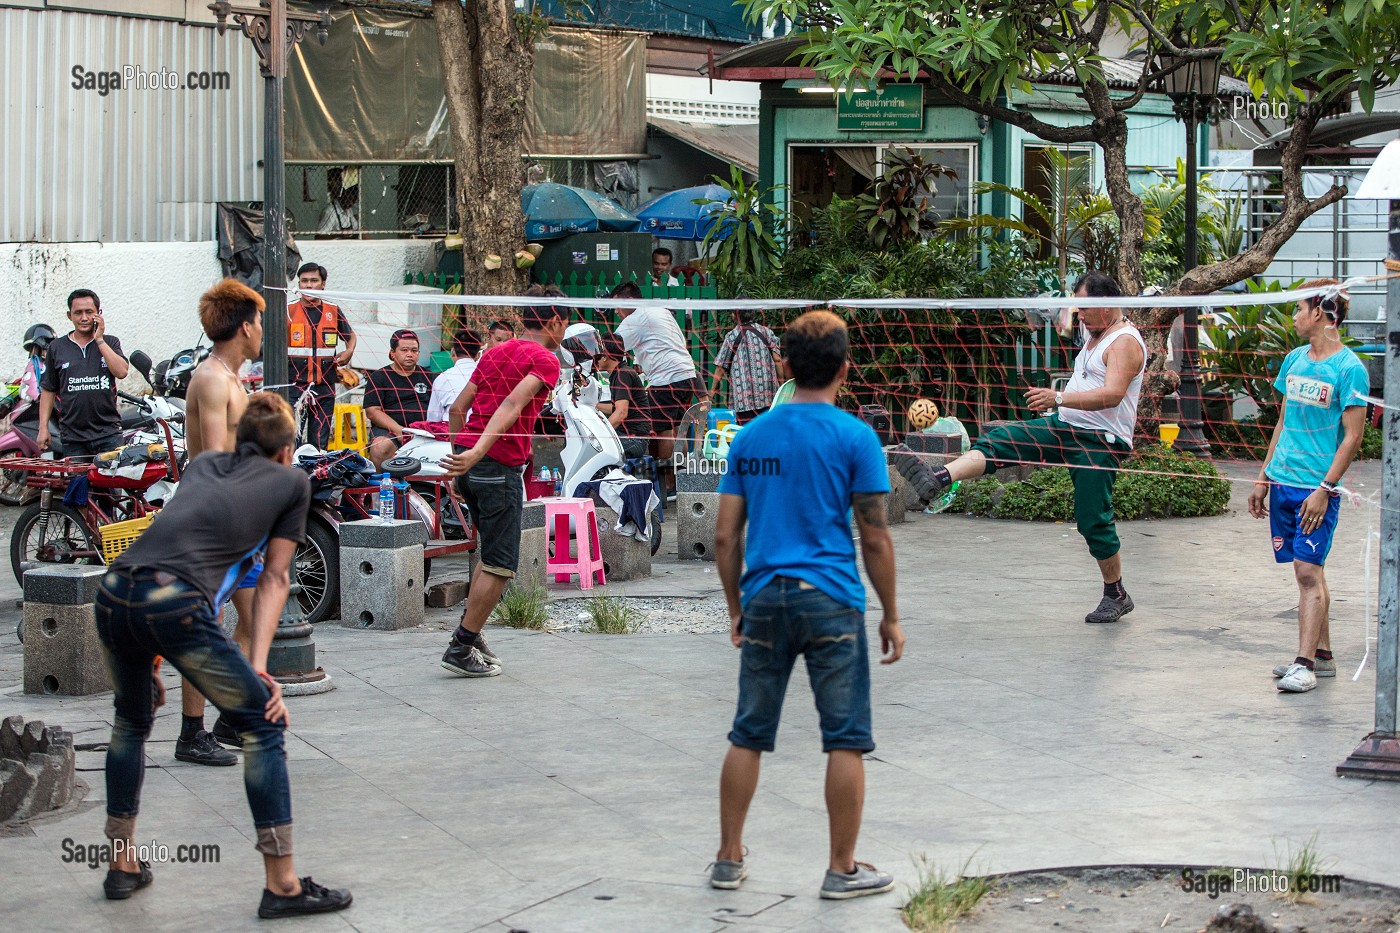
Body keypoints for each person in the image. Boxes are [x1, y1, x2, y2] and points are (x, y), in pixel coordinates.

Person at [94, 392, 352, 918]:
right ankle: (282, 884)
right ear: (285, 450)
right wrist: (258, 668)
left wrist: (153, 654)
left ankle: (121, 863)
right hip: (175, 602)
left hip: (115, 591)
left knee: (130, 722)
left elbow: (183, 539)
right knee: (263, 724)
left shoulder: (207, 464)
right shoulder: (292, 481)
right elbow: (277, 577)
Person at [711, 310, 903, 899]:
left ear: (783, 365)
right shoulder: (856, 437)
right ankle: (841, 869)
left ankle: (727, 859)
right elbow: (874, 534)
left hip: (765, 597)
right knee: (845, 738)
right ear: (846, 368)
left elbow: (724, 537)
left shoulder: (751, 436)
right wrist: (890, 613)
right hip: (833, 602)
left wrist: (736, 605)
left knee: (749, 733)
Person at [923, 271, 1146, 624]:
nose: (1079, 316)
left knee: (1092, 520)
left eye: (1084, 308)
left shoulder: (1124, 343)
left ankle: (1115, 593)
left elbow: (1113, 394)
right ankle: (939, 478)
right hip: (1065, 427)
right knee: (1003, 441)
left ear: (1106, 305)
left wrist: (1058, 396)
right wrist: (1058, 404)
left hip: (1100, 442)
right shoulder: (1094, 336)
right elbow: (1087, 385)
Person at [1248, 281, 1368, 693]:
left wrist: (1325, 488)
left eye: (1298, 308)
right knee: (1310, 572)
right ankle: (1325, 656)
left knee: (1307, 572)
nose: (1294, 316)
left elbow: (1353, 438)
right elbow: (1282, 423)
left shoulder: (1350, 369)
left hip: (1316, 488)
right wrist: (1263, 477)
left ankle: (1304, 665)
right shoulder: (1295, 360)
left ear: (1319, 312)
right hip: (1283, 481)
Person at [440, 286, 566, 676]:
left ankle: (472, 634)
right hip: (496, 466)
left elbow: (458, 408)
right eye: (566, 321)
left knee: (488, 551)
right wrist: (477, 452)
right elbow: (513, 403)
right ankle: (460, 647)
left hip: (470, 464)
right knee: (500, 564)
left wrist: (460, 456)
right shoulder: (546, 359)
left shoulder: (493, 352)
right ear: (554, 321)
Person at [176, 280, 268, 765]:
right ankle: (192, 734)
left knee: (255, 621)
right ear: (244, 325)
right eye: (258, 321)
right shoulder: (211, 379)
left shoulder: (235, 380)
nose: (261, 331)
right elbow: (213, 461)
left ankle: (230, 719)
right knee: (205, 627)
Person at [612, 281, 707, 494]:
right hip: (687, 374)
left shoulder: (633, 320)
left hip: (665, 380)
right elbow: (678, 340)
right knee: (678, 430)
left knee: (663, 432)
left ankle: (667, 487)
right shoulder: (660, 311)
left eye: (617, 306)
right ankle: (681, 485)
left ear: (629, 301)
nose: (617, 312)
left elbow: (612, 350)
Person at [38, 289, 130, 456]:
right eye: (78, 313)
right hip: (73, 439)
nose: (84, 318)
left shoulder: (110, 342)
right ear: (69, 315)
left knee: (111, 482)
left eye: (89, 312)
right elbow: (48, 389)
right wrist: (43, 428)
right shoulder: (57, 347)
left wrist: (99, 339)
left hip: (108, 434)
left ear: (99, 313)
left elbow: (121, 371)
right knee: (78, 483)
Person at [287, 262, 355, 449]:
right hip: (294, 388)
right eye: (304, 281)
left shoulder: (333, 310)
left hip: (324, 387)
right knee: (292, 441)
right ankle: (293, 477)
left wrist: (349, 351)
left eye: (314, 280)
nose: (309, 285)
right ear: (299, 284)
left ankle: (316, 477)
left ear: (323, 284)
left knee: (319, 443)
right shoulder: (288, 311)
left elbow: (350, 337)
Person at [364, 328, 433, 469]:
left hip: (425, 430)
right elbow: (372, 411)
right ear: (392, 353)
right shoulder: (379, 377)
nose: (410, 354)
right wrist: (399, 430)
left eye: (414, 351)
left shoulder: (429, 376)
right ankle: (380, 487)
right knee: (380, 447)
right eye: (404, 350)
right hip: (390, 431)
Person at [709, 310, 783, 423]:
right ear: (753, 313)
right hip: (768, 395)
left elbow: (720, 367)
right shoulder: (767, 332)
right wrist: (782, 385)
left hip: (742, 399)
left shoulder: (731, 336)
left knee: (746, 434)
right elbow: (777, 359)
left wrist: (712, 391)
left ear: (734, 315)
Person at [597, 333, 652, 459]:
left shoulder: (623, 374)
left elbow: (621, 413)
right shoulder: (620, 373)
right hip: (630, 437)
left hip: (634, 440)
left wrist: (600, 433)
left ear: (605, 356)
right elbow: (616, 408)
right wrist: (594, 406)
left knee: (593, 445)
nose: (596, 358)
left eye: (598, 354)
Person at [427, 329, 481, 423]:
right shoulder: (487, 377)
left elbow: (433, 419)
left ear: (452, 352)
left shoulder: (442, 378)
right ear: (478, 355)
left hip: (449, 433)